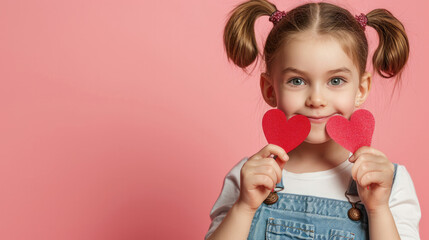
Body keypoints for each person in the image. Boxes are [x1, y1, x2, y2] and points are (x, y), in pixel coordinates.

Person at [205, 0, 421, 239]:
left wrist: (378, 209)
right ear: (270, 90)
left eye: (336, 80)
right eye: (297, 81)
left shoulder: (390, 183)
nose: (316, 100)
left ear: (361, 89)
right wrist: (244, 207)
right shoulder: (247, 177)